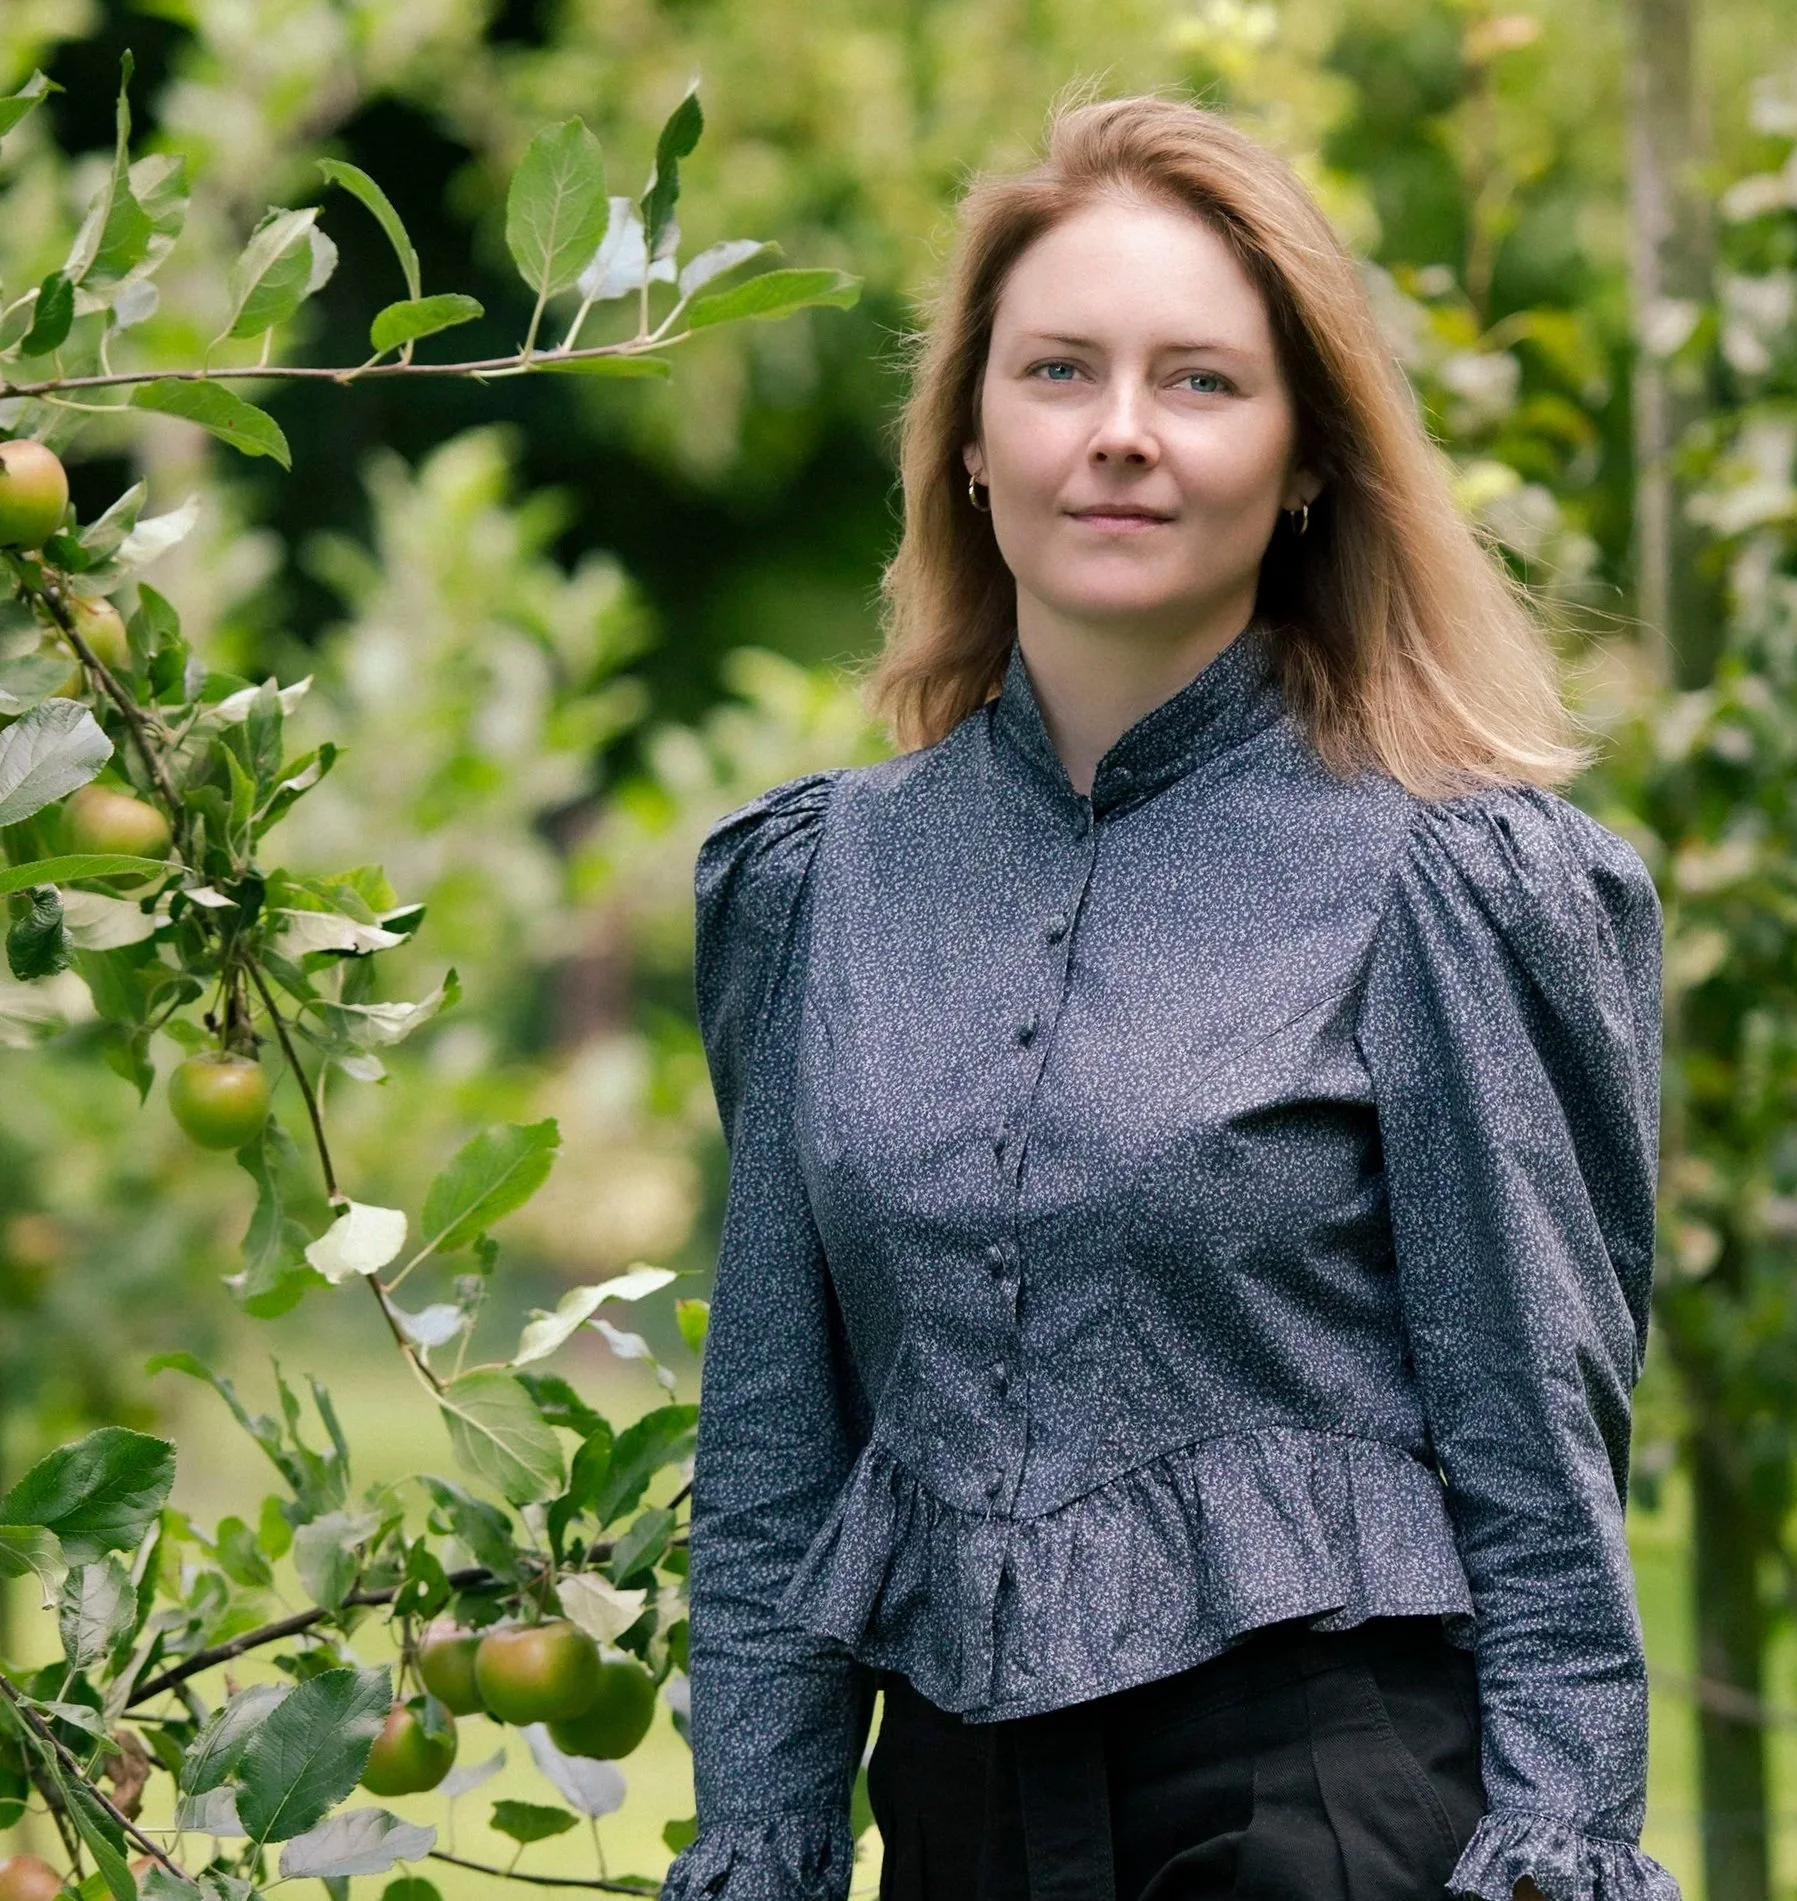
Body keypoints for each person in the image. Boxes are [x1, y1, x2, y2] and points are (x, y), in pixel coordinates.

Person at [657, 89, 1679, 1901]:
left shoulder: (1439, 878)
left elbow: (1539, 1439)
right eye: (1059, 372)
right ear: (970, 438)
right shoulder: (821, 884)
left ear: (1304, 464)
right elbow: (773, 1447)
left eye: (1199, 382)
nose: (1120, 435)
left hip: (1327, 1795)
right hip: (957, 1805)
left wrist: (1563, 1833)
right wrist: (763, 1831)